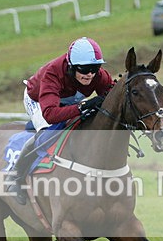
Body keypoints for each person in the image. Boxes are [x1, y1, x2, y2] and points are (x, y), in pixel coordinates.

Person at [8, 36, 114, 204]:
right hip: (38, 100)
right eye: (84, 69)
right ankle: (15, 177)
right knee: (46, 135)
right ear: (71, 67)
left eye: (95, 68)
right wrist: (82, 107)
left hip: (67, 100)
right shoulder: (53, 73)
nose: (90, 74)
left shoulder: (98, 75)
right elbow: (50, 114)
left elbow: (112, 96)